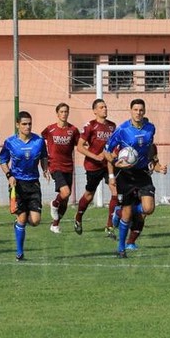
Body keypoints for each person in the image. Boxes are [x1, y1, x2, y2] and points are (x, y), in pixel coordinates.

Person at [104, 98, 158, 258]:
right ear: (130, 111)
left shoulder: (150, 128)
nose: (138, 113)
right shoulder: (122, 130)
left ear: (144, 111)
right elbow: (106, 150)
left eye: (141, 110)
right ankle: (121, 248)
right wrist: (115, 163)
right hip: (126, 175)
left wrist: (154, 163)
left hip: (142, 173)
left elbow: (150, 148)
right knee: (127, 216)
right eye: (135, 110)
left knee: (149, 208)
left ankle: (119, 211)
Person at [0, 111, 49, 261]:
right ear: (17, 125)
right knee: (22, 218)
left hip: (33, 183)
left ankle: (19, 223)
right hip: (17, 184)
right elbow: (2, 160)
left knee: (35, 221)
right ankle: (20, 253)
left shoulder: (39, 141)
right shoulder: (10, 142)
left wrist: (45, 169)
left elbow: (44, 156)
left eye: (29, 124)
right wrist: (9, 175)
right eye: (24, 124)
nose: (27, 126)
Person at [73, 98, 118, 237]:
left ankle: (109, 226)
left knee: (115, 192)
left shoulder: (112, 126)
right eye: (101, 107)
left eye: (105, 106)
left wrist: (114, 154)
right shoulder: (90, 126)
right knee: (89, 195)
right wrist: (95, 156)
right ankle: (78, 218)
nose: (104, 109)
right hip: (93, 166)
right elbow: (80, 146)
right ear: (94, 111)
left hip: (108, 165)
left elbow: (115, 145)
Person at [42, 102, 81, 234]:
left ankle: (55, 224)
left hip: (68, 167)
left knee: (64, 201)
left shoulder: (73, 130)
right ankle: (53, 204)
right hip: (55, 165)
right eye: (62, 112)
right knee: (65, 192)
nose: (64, 114)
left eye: (66, 112)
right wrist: (44, 164)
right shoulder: (50, 129)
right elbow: (40, 142)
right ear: (57, 114)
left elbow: (80, 144)